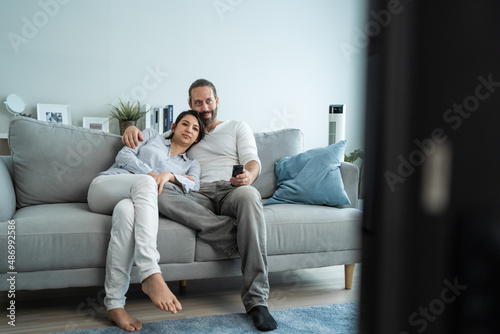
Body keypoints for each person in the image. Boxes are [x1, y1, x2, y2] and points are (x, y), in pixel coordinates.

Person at [122, 79, 278, 331]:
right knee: (156, 190)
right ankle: (236, 238)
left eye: (208, 101)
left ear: (217, 101)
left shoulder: (237, 126)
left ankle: (257, 302)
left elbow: (253, 161)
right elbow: (153, 141)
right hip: (195, 193)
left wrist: (248, 176)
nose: (204, 107)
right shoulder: (189, 130)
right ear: (190, 105)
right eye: (198, 102)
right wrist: (130, 127)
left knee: (250, 196)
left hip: (231, 189)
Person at [88, 110, 205, 332]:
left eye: (195, 128)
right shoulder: (152, 135)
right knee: (145, 184)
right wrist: (151, 175)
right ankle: (150, 272)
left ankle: (114, 305)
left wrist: (169, 176)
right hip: (106, 187)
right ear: (174, 126)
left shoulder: (191, 164)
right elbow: (123, 157)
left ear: (197, 137)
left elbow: (194, 184)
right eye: (185, 124)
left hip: (129, 202)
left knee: (126, 213)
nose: (189, 129)